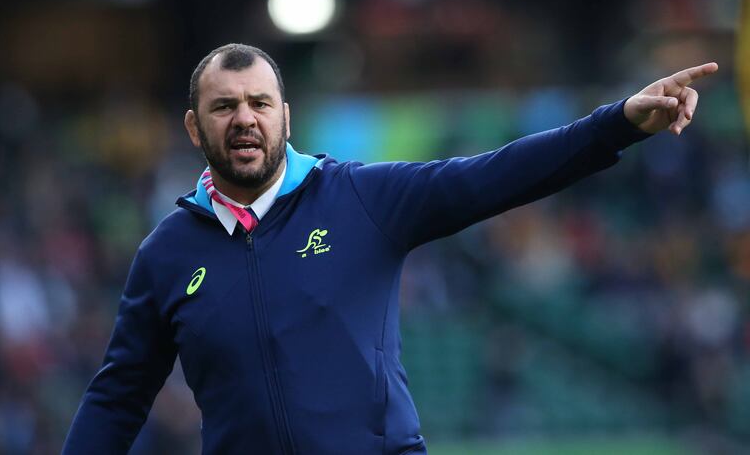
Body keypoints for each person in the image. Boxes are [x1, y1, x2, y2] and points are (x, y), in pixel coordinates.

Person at [62, 43, 718, 455]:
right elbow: (118, 397)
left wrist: (619, 123)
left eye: (260, 102)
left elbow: (496, 176)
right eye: (225, 105)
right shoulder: (167, 253)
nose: (245, 118)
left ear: (285, 116)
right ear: (193, 125)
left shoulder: (360, 198)